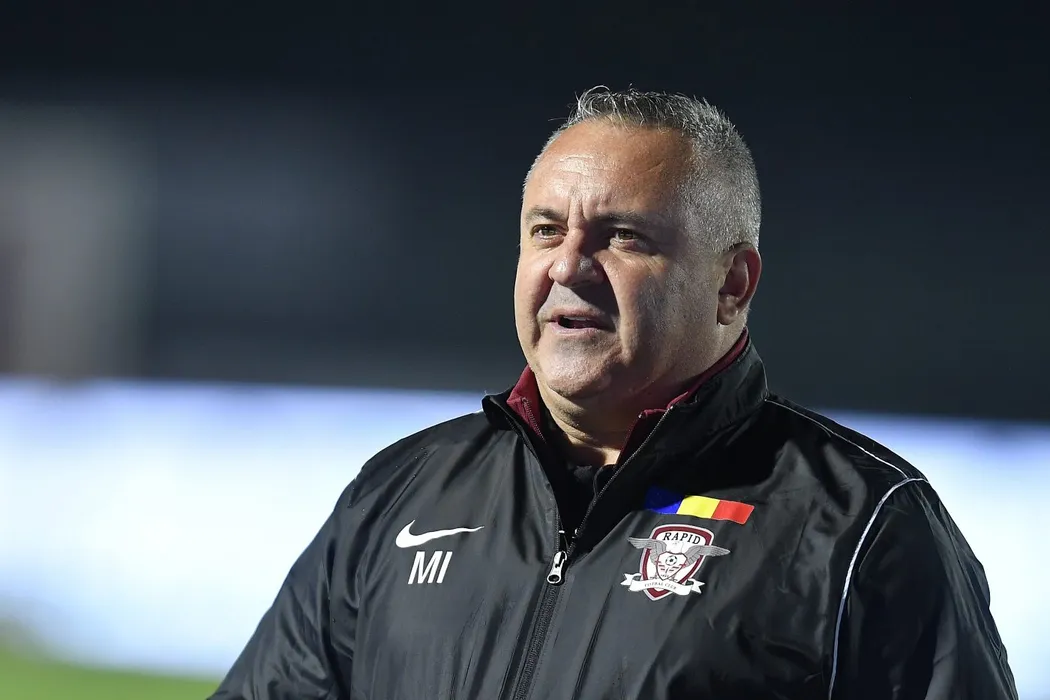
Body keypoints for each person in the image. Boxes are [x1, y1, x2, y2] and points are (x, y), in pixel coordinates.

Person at [210, 87, 1018, 699]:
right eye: (545, 230)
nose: (567, 265)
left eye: (622, 236)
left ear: (732, 284)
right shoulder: (400, 493)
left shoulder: (864, 527)